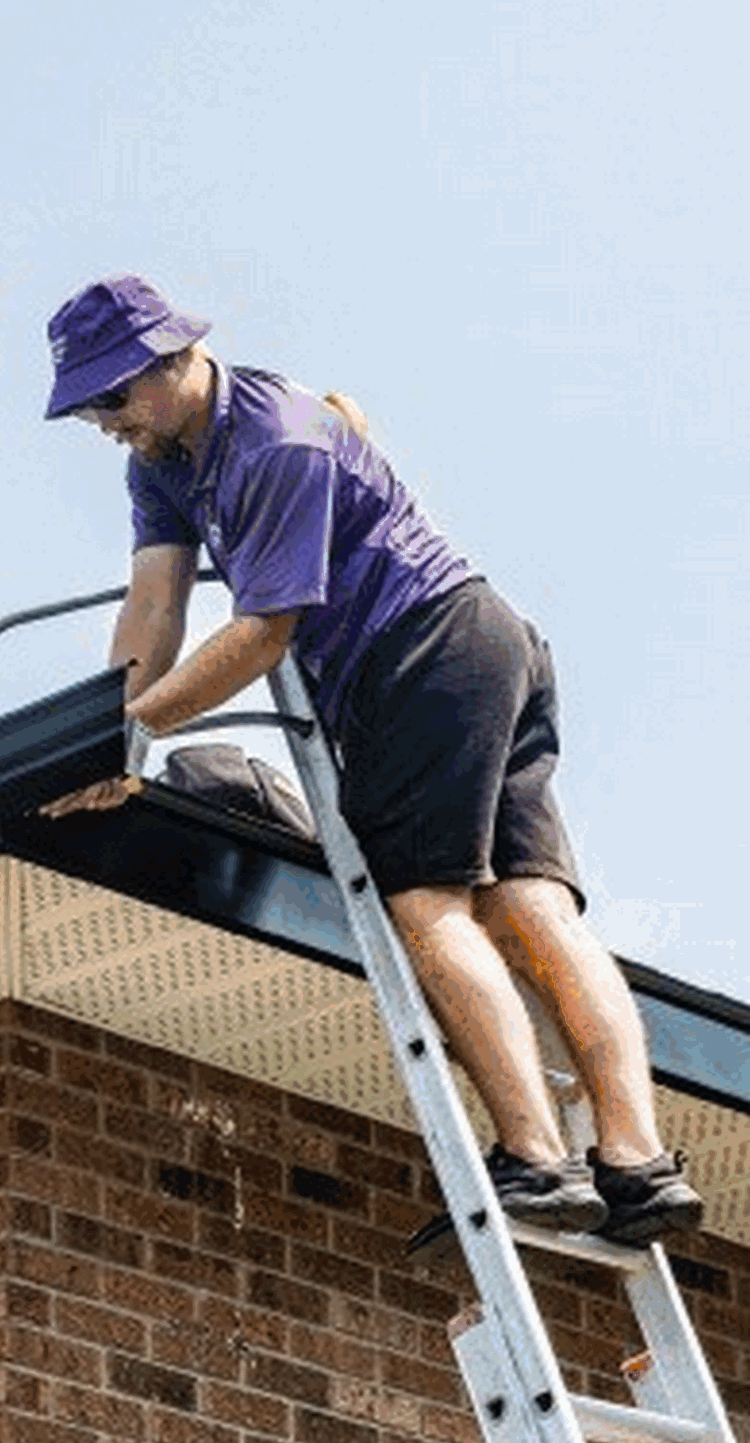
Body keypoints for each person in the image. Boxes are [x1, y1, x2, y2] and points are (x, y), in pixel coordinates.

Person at [40, 273, 702, 1250]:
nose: (102, 421)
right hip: (474, 645)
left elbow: (262, 634)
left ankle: (538, 1158)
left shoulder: (275, 438)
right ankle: (637, 1171)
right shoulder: (163, 460)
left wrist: (135, 736)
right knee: (528, 905)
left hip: (424, 652)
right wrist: (105, 728)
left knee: (429, 905)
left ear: (171, 360)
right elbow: (155, 611)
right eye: (87, 404)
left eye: (111, 397)